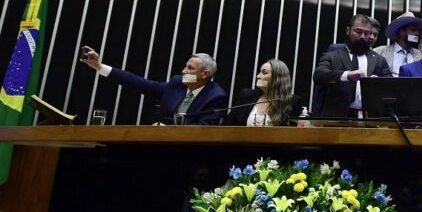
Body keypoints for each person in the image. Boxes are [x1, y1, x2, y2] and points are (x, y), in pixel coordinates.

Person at [79, 47, 228, 125]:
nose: (184, 71)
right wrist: (99, 66)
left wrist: (170, 130)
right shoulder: (177, 83)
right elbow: (140, 84)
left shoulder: (216, 96)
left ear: (205, 74)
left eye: (190, 68)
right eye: (185, 67)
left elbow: (204, 128)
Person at [312, 14, 392, 118]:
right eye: (358, 32)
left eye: (367, 33)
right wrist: (347, 75)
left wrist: (379, 82)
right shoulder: (333, 56)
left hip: (369, 119)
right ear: (348, 30)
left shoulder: (378, 60)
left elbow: (390, 83)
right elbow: (319, 75)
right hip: (335, 119)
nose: (363, 37)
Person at [225, 59, 299, 126]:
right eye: (260, 72)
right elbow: (227, 124)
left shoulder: (292, 102)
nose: (258, 76)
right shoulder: (246, 95)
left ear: (277, 78)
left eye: (264, 73)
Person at [373, 11, 422, 76]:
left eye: (418, 31)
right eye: (413, 30)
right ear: (401, 32)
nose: (417, 33)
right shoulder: (379, 52)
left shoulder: (421, 54)